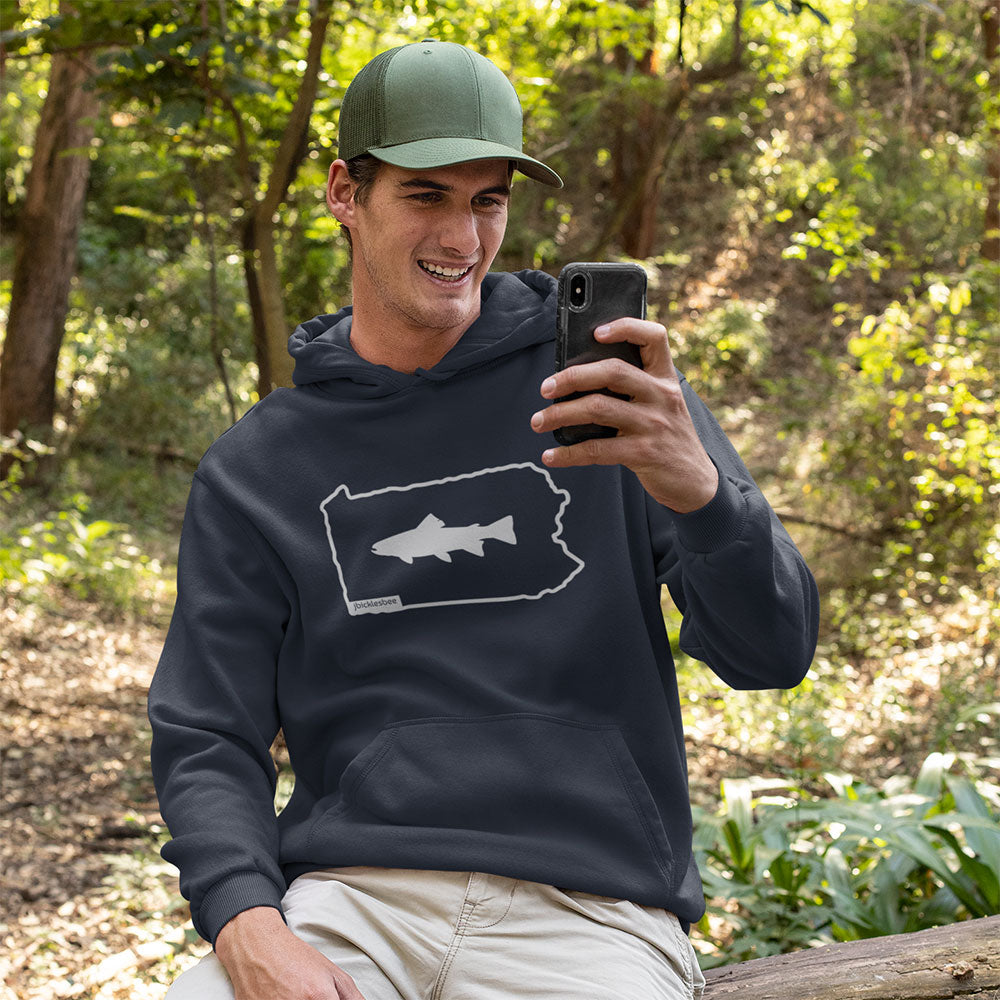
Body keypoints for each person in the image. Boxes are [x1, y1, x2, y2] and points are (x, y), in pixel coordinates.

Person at [149, 38, 819, 1000]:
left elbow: (774, 654)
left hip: (591, 915)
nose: (462, 236)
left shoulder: (611, 397)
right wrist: (247, 922)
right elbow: (208, 730)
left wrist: (703, 495)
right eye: (427, 196)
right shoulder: (258, 470)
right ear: (344, 193)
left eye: (488, 201)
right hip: (351, 902)